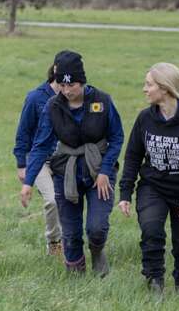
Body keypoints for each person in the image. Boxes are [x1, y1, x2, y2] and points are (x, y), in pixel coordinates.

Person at [20, 50, 124, 275]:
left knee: (96, 227)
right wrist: (28, 182)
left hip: (98, 171)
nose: (67, 91)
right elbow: (40, 145)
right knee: (71, 232)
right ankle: (76, 276)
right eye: (62, 85)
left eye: (72, 85)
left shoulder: (102, 101)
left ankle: (97, 252)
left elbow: (117, 137)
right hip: (65, 171)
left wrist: (106, 171)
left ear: (82, 81)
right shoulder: (52, 106)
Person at [118, 63, 179, 294]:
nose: (144, 89)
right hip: (153, 187)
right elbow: (132, 156)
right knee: (152, 232)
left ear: (165, 88)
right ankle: (155, 284)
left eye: (149, 84)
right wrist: (125, 192)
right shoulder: (144, 119)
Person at [13, 61, 62, 256]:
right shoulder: (36, 98)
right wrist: (21, 164)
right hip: (38, 159)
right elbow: (23, 132)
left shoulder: (74, 98)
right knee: (53, 200)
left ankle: (71, 242)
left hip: (64, 160)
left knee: (68, 201)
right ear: (56, 70)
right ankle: (54, 242)